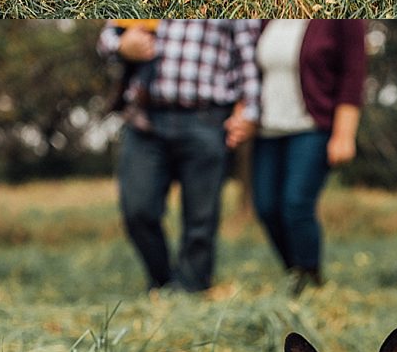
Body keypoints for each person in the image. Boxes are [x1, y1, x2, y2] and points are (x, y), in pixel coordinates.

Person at [99, 20, 262, 293]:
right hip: (145, 118)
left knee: (201, 218)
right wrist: (121, 45)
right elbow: (106, 38)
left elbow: (248, 57)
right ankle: (162, 281)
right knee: (137, 209)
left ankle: (192, 289)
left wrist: (249, 110)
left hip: (207, 117)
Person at [251, 19, 367, 293]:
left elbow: (353, 74)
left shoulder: (339, 21)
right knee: (267, 207)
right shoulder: (267, 17)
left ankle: (311, 278)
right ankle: (295, 272)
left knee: (296, 204)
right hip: (268, 130)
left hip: (312, 128)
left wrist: (344, 134)